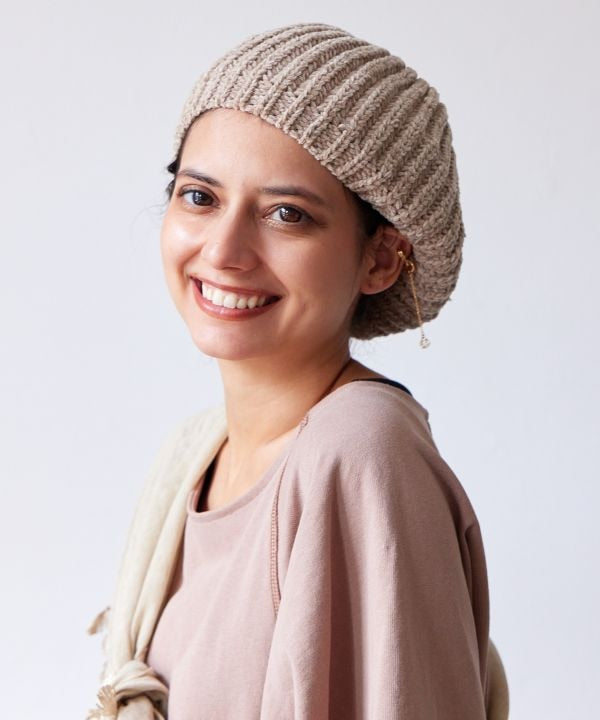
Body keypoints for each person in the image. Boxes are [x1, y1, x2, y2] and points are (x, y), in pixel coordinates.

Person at [86, 22, 509, 720]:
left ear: (382, 259)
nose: (223, 250)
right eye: (200, 197)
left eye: (287, 214)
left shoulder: (358, 453)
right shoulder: (198, 451)